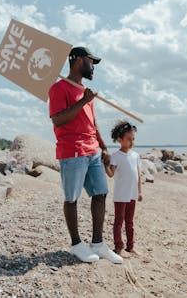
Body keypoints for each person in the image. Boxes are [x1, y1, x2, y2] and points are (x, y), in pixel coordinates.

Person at [48, 46, 123, 264]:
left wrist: (104, 147)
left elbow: (92, 123)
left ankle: (98, 243)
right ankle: (76, 244)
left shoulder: (85, 90)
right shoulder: (59, 88)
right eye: (92, 62)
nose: (94, 67)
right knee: (71, 198)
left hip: (91, 150)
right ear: (80, 60)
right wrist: (83, 101)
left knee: (100, 193)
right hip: (71, 151)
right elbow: (57, 119)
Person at [104, 120, 142, 257]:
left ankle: (131, 247)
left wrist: (140, 192)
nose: (131, 142)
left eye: (133, 139)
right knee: (119, 221)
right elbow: (111, 174)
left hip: (132, 195)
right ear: (119, 140)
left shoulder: (136, 155)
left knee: (130, 222)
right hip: (120, 195)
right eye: (128, 139)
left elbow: (138, 175)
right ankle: (119, 246)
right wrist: (105, 164)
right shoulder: (116, 156)